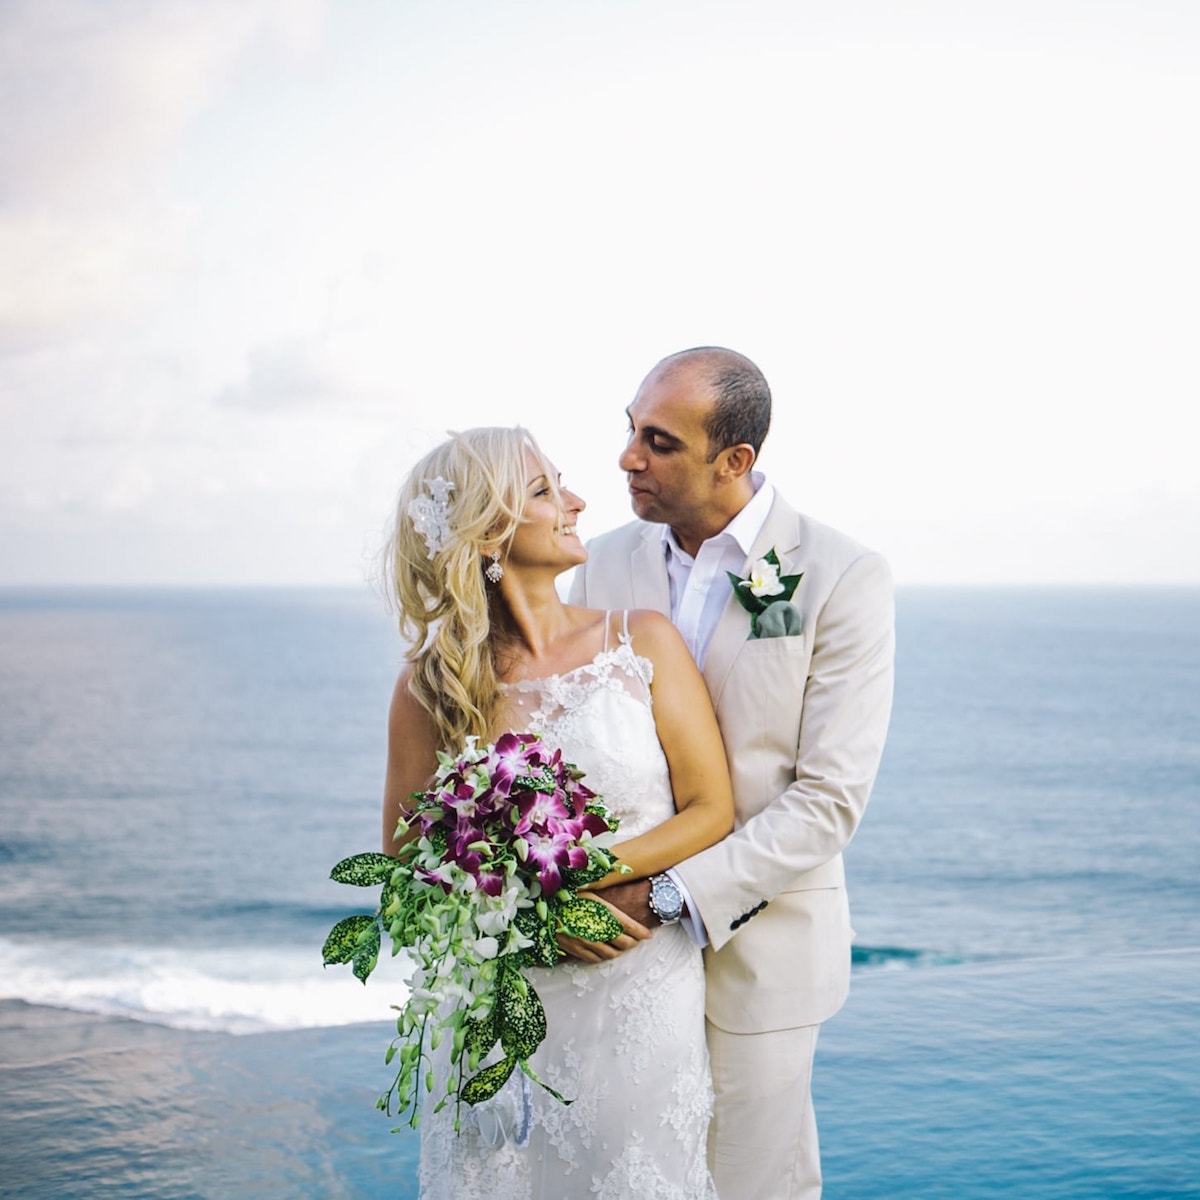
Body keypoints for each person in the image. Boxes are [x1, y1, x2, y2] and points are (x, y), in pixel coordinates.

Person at [569, 347, 895, 1200]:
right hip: (616, 953)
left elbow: (828, 802)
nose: (628, 458)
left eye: (659, 441)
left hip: (760, 954)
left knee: (755, 1185)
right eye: (630, 430)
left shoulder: (841, 576)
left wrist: (670, 892)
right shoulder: (598, 564)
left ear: (734, 460)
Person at [381, 426, 734, 1199]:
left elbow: (712, 810)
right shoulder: (429, 688)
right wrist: (529, 924)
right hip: (497, 1002)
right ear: (487, 537)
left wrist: (574, 883)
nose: (576, 501)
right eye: (544, 491)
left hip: (635, 983)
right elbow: (408, 874)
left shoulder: (639, 641)